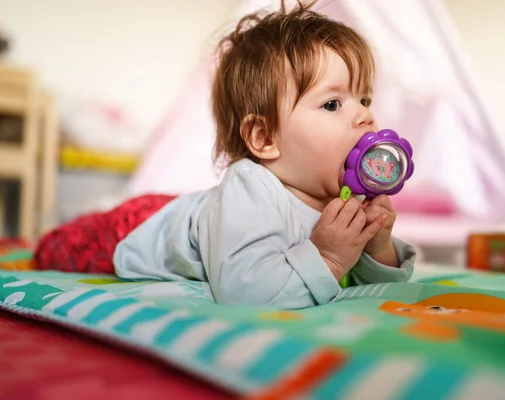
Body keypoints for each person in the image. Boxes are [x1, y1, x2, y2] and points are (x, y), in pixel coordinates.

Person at [35, 1, 416, 309]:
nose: (365, 114)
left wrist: (375, 246)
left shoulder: (343, 198)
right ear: (264, 137)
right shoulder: (251, 189)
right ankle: (57, 227)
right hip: (141, 226)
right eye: (333, 104)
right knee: (66, 246)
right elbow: (242, 290)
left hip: (196, 213)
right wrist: (329, 258)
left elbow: (371, 291)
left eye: (364, 98)